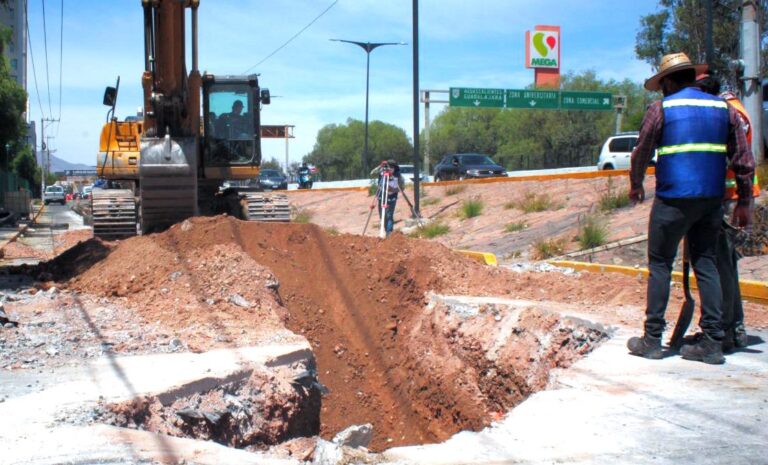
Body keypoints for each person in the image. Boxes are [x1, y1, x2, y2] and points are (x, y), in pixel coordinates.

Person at [627, 52, 755, 365]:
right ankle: (713, 340)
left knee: (660, 263)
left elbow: (641, 151)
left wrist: (636, 185)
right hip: (711, 202)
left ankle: (652, 339)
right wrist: (744, 202)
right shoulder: (725, 109)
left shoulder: (662, 108)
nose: (661, 91)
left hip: (672, 200)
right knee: (706, 263)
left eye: (662, 85)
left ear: (670, 81)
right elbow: (743, 159)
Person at [696, 73, 761, 351]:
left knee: (721, 265)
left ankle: (727, 330)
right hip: (731, 197)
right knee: (725, 265)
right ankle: (733, 328)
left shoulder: (728, 112)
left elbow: (731, 156)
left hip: (730, 199)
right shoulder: (732, 109)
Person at [370, 159, 405, 237]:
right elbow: (372, 173)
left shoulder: (398, 176)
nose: (390, 169)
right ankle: (386, 230)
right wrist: (380, 166)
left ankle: (389, 234)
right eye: (389, 167)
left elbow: (402, 188)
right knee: (382, 216)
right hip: (381, 197)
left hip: (392, 198)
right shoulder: (382, 173)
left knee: (389, 216)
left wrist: (392, 189)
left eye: (392, 167)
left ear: (395, 168)